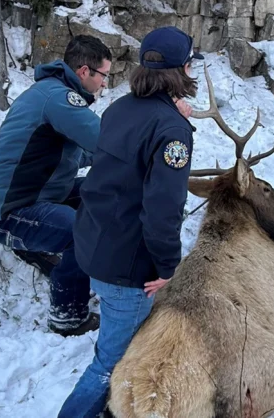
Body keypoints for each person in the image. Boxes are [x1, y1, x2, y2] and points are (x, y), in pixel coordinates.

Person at [57, 26, 201, 417]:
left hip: (95, 245)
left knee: (114, 346)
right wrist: (169, 268)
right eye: (190, 64)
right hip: (127, 267)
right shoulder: (171, 130)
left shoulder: (120, 108)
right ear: (180, 71)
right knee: (112, 363)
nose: (193, 72)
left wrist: (173, 118)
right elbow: (162, 212)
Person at [0, 34, 112, 337]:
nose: (105, 83)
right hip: (11, 213)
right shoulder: (60, 99)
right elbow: (105, 142)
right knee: (82, 230)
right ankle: (68, 317)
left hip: (43, 193)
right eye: (104, 75)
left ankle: (66, 258)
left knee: (103, 189)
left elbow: (82, 154)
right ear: (84, 72)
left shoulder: (52, 94)